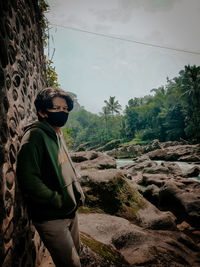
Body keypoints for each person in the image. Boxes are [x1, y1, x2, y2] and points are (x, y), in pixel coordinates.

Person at [17, 87, 85, 267]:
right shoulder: (34, 137)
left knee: (76, 255)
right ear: (42, 112)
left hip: (71, 212)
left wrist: (77, 193)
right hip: (52, 218)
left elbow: (66, 168)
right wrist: (57, 200)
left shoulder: (57, 133)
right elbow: (28, 180)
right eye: (57, 108)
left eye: (65, 109)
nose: (63, 113)